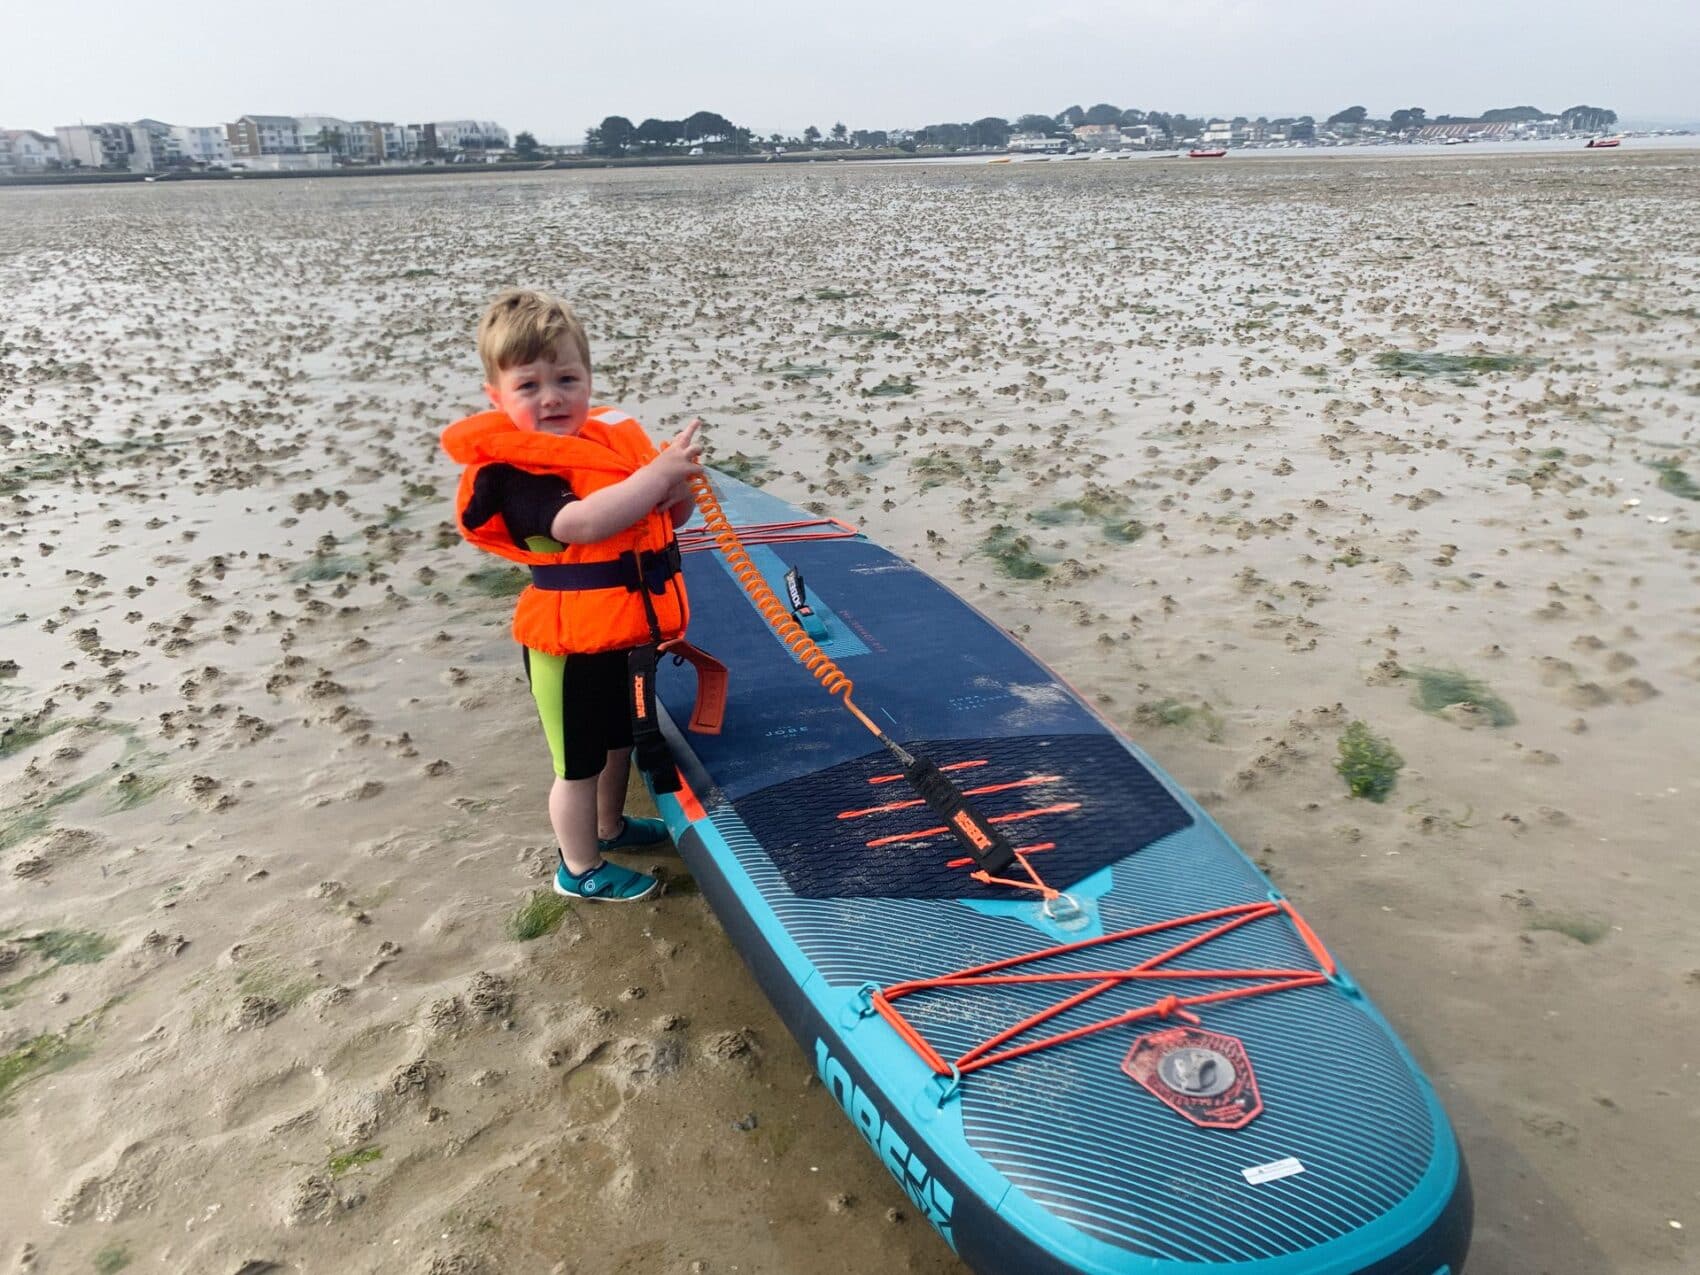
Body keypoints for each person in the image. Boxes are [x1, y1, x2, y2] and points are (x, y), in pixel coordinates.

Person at [441, 289, 704, 902]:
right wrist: (652, 478)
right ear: (497, 398)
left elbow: (669, 519)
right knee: (577, 765)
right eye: (528, 386)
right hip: (566, 650)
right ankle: (578, 868)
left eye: (566, 378)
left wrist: (675, 484)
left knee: (618, 746)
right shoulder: (516, 475)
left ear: (588, 379)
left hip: (619, 635)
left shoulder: (607, 450)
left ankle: (609, 830)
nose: (551, 397)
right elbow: (582, 525)